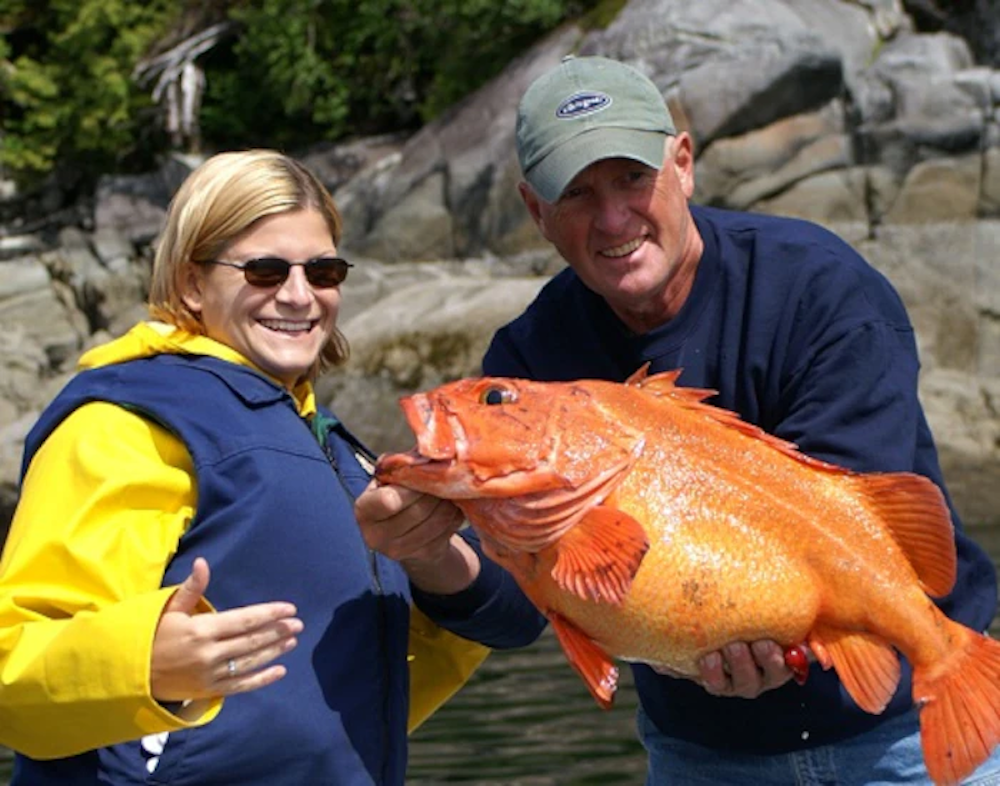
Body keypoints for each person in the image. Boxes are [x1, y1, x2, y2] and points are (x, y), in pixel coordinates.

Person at [356, 56, 1000, 783]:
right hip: (705, 754)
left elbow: (864, 504)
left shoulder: (818, 286)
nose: (612, 218)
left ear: (683, 165)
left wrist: (789, 643)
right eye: (577, 192)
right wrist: (425, 552)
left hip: (902, 732)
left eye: (633, 177)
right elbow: (520, 612)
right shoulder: (530, 356)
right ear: (536, 212)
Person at [0, 149, 489, 785]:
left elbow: (364, 683)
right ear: (189, 283)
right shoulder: (124, 427)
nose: (297, 294)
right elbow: (13, 666)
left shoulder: (333, 446)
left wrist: (459, 585)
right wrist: (144, 663)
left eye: (323, 270)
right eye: (262, 270)